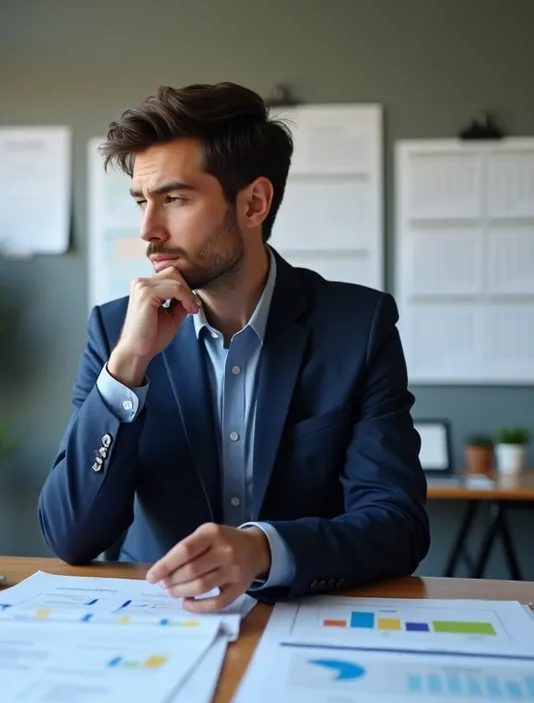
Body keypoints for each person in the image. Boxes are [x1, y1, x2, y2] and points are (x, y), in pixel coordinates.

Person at [36, 82, 429, 611]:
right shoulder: (115, 332)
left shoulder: (357, 326)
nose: (148, 230)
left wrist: (264, 549)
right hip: (157, 623)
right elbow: (71, 537)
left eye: (174, 199)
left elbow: (398, 524)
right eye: (140, 202)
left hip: (302, 621)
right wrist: (127, 368)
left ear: (254, 203)